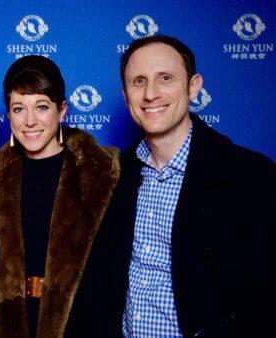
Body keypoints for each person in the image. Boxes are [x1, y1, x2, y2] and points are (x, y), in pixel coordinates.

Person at [70, 35, 276, 337]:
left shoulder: (251, 177)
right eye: (138, 82)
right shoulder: (114, 176)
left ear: (193, 86)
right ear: (126, 95)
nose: (151, 93)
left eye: (165, 78)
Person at [0, 55, 120, 338]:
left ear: (62, 111)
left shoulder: (103, 172)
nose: (30, 121)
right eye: (19, 108)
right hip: (11, 325)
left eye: (42, 107)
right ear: (8, 115)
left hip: (83, 323)